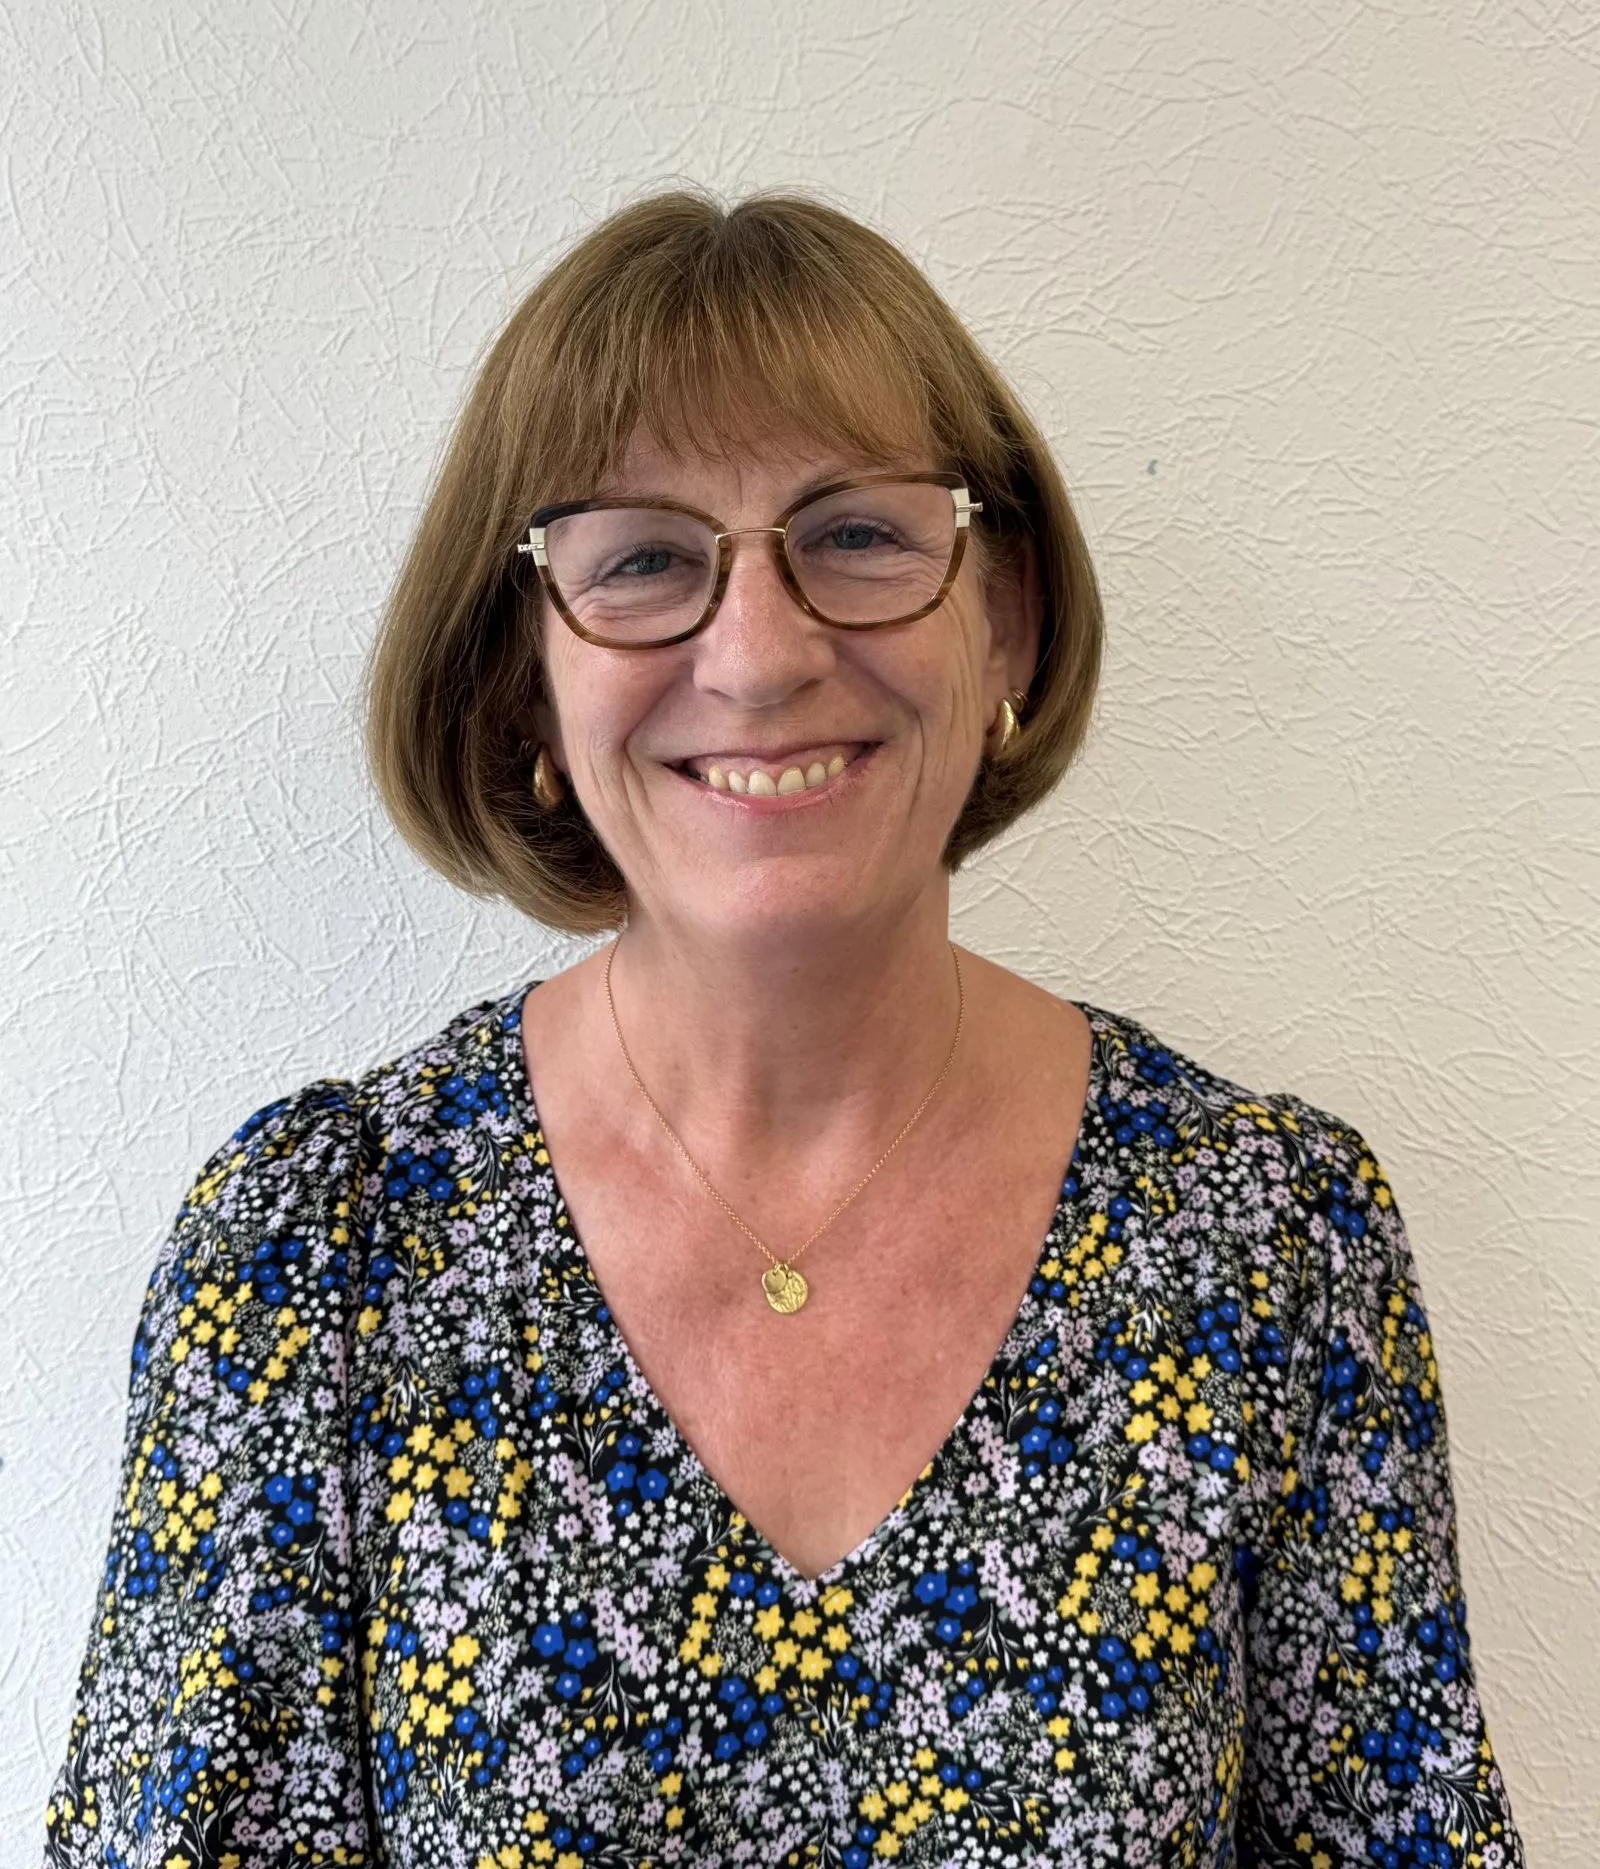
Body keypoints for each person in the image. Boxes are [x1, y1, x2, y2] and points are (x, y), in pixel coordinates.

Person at [44, 192, 1523, 1867]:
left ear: (1009, 623)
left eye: (860, 537)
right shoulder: (320, 1257)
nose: (756, 656)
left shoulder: (1267, 1243)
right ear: (528, 678)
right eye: (645, 562)